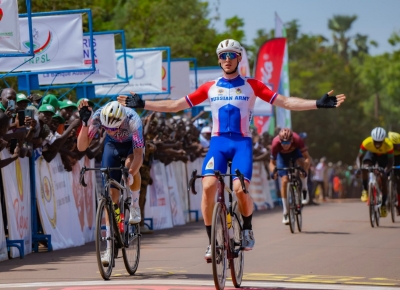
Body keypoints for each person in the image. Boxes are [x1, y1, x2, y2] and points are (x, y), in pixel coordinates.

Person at [117, 38, 346, 260]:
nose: (227, 59)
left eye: (232, 55)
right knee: (207, 186)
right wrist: (143, 103)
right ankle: (210, 242)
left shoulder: (252, 85)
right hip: (218, 144)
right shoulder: (210, 87)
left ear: (238, 59)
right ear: (219, 60)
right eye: (223, 56)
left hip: (241, 144)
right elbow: (176, 105)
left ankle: (246, 229)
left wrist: (317, 103)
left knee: (238, 189)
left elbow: (285, 102)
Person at [77, 100, 144, 266]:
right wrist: (85, 124)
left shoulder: (133, 120)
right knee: (111, 196)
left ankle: (135, 206)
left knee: (130, 168)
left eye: (115, 129)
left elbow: (138, 156)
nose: (113, 131)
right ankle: (108, 248)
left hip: (130, 148)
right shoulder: (99, 117)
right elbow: (81, 147)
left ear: (122, 120)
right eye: (109, 129)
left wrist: (131, 173)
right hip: (112, 146)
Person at [269, 128, 311, 224]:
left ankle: (304, 188)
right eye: (283, 143)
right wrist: (273, 171)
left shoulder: (297, 139)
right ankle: (285, 211)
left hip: (295, 153)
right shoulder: (275, 143)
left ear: (292, 140)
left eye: (288, 143)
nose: (286, 146)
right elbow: (271, 163)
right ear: (280, 141)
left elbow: (307, 158)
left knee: (302, 164)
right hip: (282, 158)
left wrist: (304, 169)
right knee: (284, 181)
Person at [356, 127, 393, 217]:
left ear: (384, 140)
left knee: (383, 178)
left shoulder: (389, 145)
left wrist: (385, 171)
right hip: (371, 154)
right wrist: (359, 168)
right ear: (372, 139)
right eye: (375, 141)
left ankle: (383, 205)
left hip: (384, 156)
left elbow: (391, 162)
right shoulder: (366, 142)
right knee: (365, 168)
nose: (377, 144)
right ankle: (365, 190)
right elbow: (359, 158)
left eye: (379, 142)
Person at [388, 131, 400, 215]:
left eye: (398, 145)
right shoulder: (386, 146)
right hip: (388, 158)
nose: (396, 147)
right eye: (394, 146)